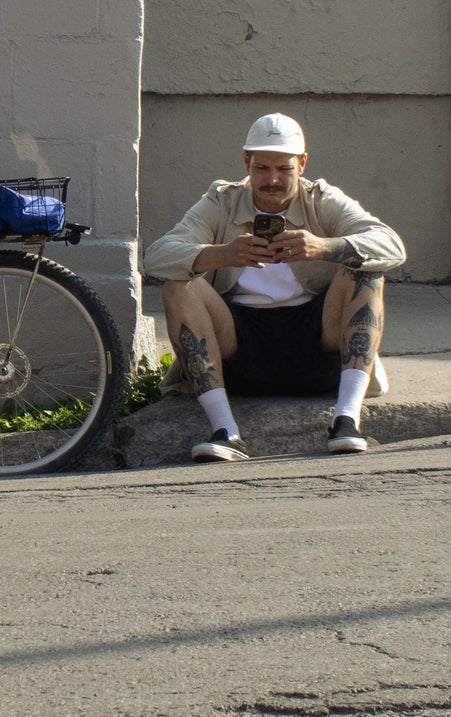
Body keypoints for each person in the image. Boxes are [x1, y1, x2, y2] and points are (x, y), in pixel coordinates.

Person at [141, 113, 406, 461]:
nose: (273, 180)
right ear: (246, 161)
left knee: (366, 270)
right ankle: (225, 432)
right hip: (238, 348)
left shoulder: (322, 200)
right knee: (179, 286)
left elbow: (392, 246)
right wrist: (221, 255)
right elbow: (156, 257)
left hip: (317, 344)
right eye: (262, 168)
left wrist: (324, 247)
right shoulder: (222, 201)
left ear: (303, 164)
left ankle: (346, 421)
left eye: (284, 169)